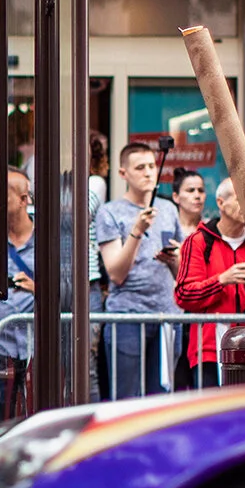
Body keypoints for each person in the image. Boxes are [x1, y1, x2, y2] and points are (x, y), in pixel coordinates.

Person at [93, 140, 182, 398]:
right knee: (127, 397)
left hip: (168, 316)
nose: (148, 172)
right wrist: (137, 231)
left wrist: (174, 259)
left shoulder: (168, 209)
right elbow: (116, 273)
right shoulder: (110, 213)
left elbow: (181, 274)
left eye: (152, 166)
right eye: (140, 167)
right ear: (123, 174)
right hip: (128, 318)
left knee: (162, 397)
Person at [174, 178, 245, 386]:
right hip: (209, 348)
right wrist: (222, 280)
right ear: (221, 203)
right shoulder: (199, 241)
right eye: (240, 198)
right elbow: (184, 295)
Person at [0, 168, 38, 416]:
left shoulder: (49, 239)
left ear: (23, 200)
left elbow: (69, 294)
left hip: (37, 346)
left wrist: (39, 290)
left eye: (1, 195)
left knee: (36, 416)